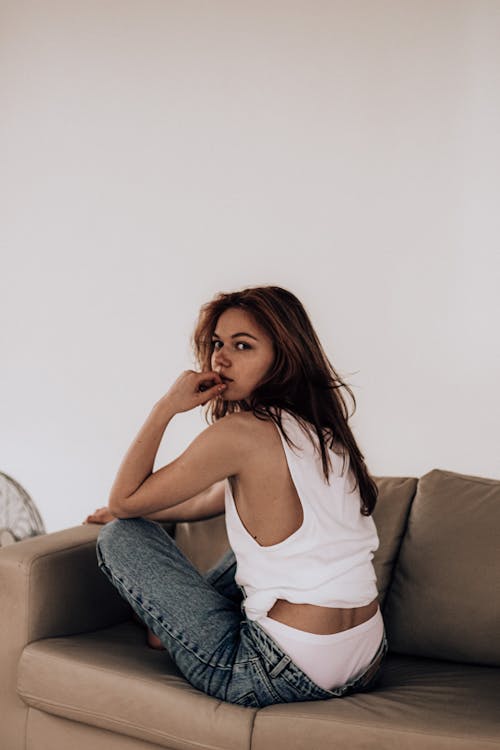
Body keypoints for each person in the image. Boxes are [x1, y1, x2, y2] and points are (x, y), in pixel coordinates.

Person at [85, 285, 388, 708]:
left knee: (120, 534)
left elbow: (123, 502)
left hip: (280, 670)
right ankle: (170, 626)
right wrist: (147, 507)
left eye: (242, 346)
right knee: (250, 546)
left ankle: (169, 628)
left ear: (283, 355)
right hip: (366, 657)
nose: (219, 360)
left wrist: (166, 407)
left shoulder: (241, 433)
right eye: (216, 345)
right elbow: (207, 500)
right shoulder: (325, 434)